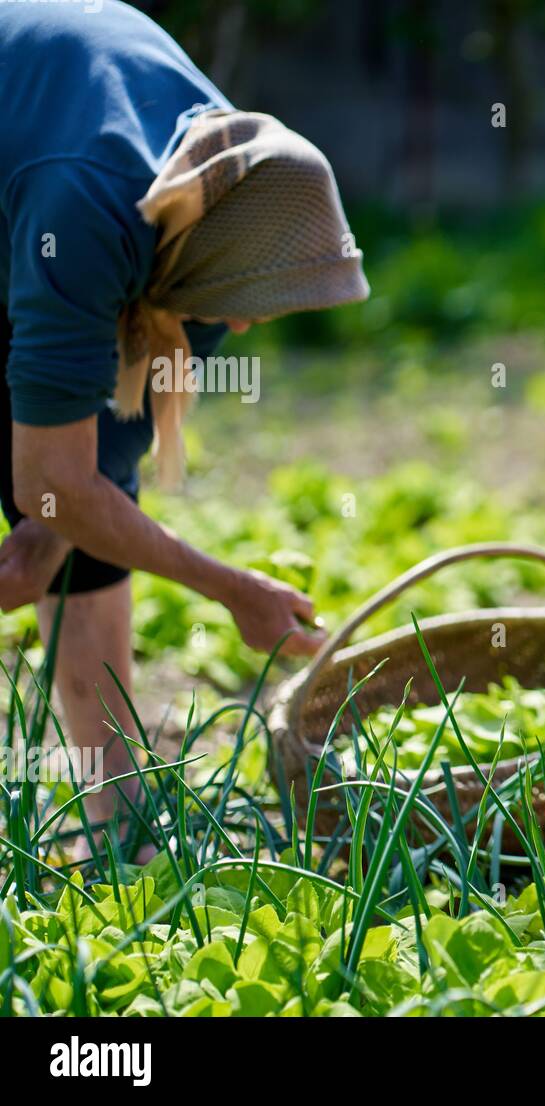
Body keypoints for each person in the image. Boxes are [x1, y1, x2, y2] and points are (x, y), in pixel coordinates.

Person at [0, 2, 369, 863]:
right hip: (42, 187)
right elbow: (51, 480)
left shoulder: (218, 208)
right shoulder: (91, 205)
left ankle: (119, 826)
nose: (240, 332)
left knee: (85, 525)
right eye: (242, 312)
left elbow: (98, 459)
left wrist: (57, 526)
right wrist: (232, 588)